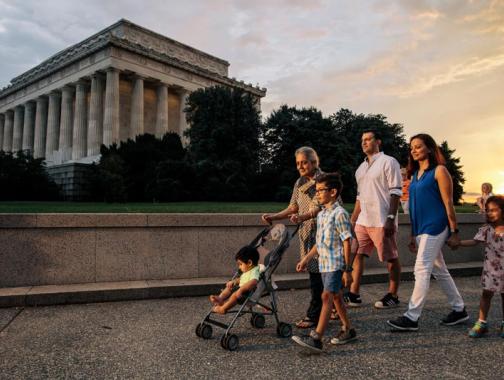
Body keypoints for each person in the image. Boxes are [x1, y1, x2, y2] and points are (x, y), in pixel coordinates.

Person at [387, 133, 468, 331]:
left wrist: (454, 231)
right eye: (412, 147)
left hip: (436, 225)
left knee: (421, 268)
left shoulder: (439, 171)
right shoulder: (414, 176)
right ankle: (459, 310)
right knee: (440, 269)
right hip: (421, 228)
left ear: (430, 149)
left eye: (418, 146)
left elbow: (448, 203)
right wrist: (413, 234)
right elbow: (414, 206)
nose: (414, 150)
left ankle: (411, 317)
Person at [291, 173, 356, 353]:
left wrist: (347, 270)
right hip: (324, 264)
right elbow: (319, 244)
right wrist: (305, 259)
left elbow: (347, 241)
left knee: (326, 296)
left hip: (336, 264)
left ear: (333, 192)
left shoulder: (340, 213)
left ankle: (317, 337)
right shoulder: (322, 215)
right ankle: (348, 329)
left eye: (321, 191)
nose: (317, 194)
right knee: (335, 298)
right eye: (317, 190)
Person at [262, 147, 324, 329]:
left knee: (318, 276)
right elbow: (293, 207)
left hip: (324, 232)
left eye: (304, 162)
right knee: (319, 275)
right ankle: (332, 308)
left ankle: (314, 315)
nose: (300, 166)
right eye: (298, 163)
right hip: (308, 233)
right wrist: (273, 217)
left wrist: (302, 217)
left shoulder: (323, 180)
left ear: (314, 162)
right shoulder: (299, 182)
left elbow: (319, 207)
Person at [346, 130, 403, 309]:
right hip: (363, 220)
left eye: (368, 139)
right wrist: (353, 220)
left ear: (378, 141)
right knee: (357, 254)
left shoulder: (389, 162)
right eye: (362, 140)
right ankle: (354, 294)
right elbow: (359, 197)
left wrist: (390, 218)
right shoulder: (360, 168)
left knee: (390, 258)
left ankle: (393, 295)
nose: (364, 142)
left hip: (381, 219)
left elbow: (396, 191)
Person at [452, 195, 504, 338]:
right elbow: (475, 241)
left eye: (494, 210)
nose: (490, 213)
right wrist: (459, 243)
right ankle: (482, 322)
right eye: (487, 210)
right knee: (486, 294)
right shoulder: (487, 229)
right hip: (490, 271)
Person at [210, 245, 260, 314]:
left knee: (234, 295)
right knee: (229, 288)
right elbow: (241, 279)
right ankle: (220, 299)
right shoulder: (248, 271)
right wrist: (234, 281)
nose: (239, 267)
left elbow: (253, 282)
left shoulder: (255, 271)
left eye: (240, 264)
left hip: (246, 293)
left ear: (249, 263)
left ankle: (223, 308)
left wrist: (241, 289)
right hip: (240, 288)